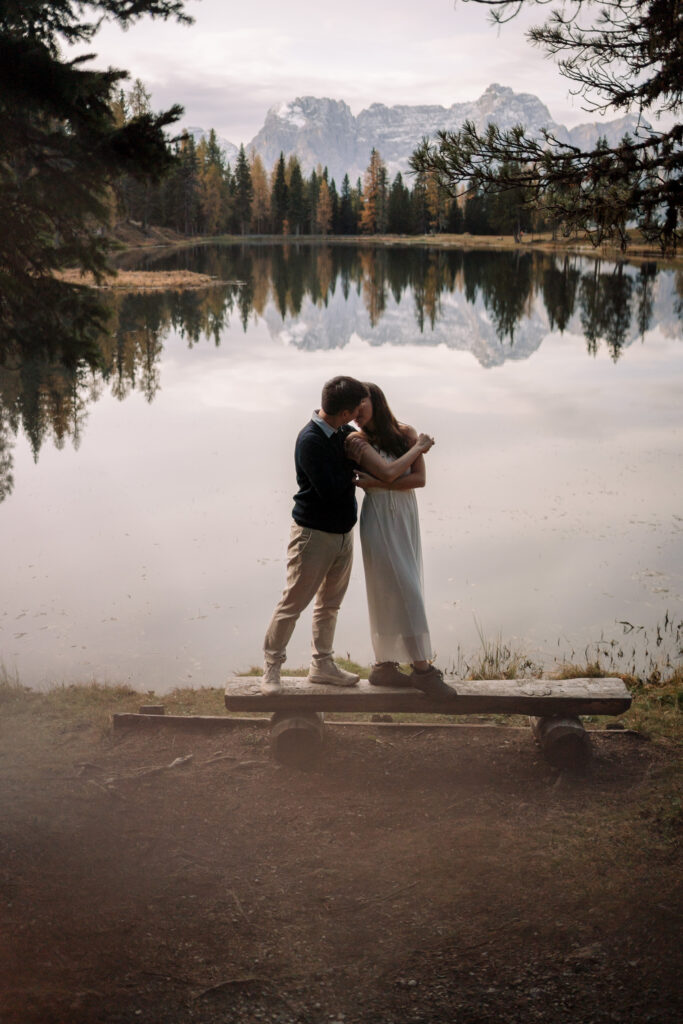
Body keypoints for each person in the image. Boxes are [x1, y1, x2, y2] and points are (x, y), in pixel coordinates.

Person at [262, 376, 427, 696]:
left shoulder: (344, 433)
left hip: (343, 534)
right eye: (355, 410)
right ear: (345, 411)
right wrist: (356, 470)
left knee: (329, 604)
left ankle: (321, 665)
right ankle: (272, 665)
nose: (357, 416)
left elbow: (381, 470)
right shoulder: (310, 440)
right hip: (314, 535)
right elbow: (331, 490)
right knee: (293, 602)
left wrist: (368, 464)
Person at [346, 383, 455, 698]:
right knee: (398, 588)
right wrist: (418, 448)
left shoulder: (405, 432)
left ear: (374, 400)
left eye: (359, 405)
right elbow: (393, 473)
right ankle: (423, 670)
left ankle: (385, 666)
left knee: (405, 586)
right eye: (351, 409)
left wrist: (378, 483)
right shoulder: (356, 440)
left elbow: (418, 479)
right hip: (379, 518)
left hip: (405, 515)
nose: (354, 414)